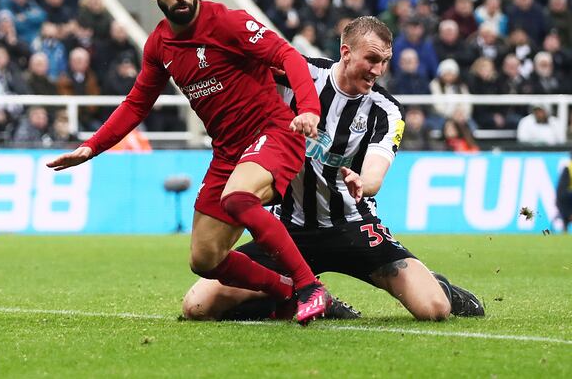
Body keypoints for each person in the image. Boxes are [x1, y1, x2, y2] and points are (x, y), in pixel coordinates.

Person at [45, 0, 331, 325]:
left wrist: (309, 109)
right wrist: (91, 147)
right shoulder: (159, 45)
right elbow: (136, 104)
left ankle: (309, 286)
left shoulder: (228, 22)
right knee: (204, 258)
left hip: (274, 132)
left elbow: (287, 55)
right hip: (228, 152)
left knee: (238, 198)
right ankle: (281, 291)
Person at [182, 17, 483, 321]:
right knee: (197, 305)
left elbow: (375, 173)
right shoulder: (299, 74)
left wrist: (363, 183)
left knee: (433, 309)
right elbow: (243, 66)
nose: (378, 70)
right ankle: (313, 300)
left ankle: (441, 286)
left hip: (350, 225)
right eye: (372, 59)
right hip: (287, 230)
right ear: (346, 52)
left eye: (385, 61)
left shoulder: (386, 110)